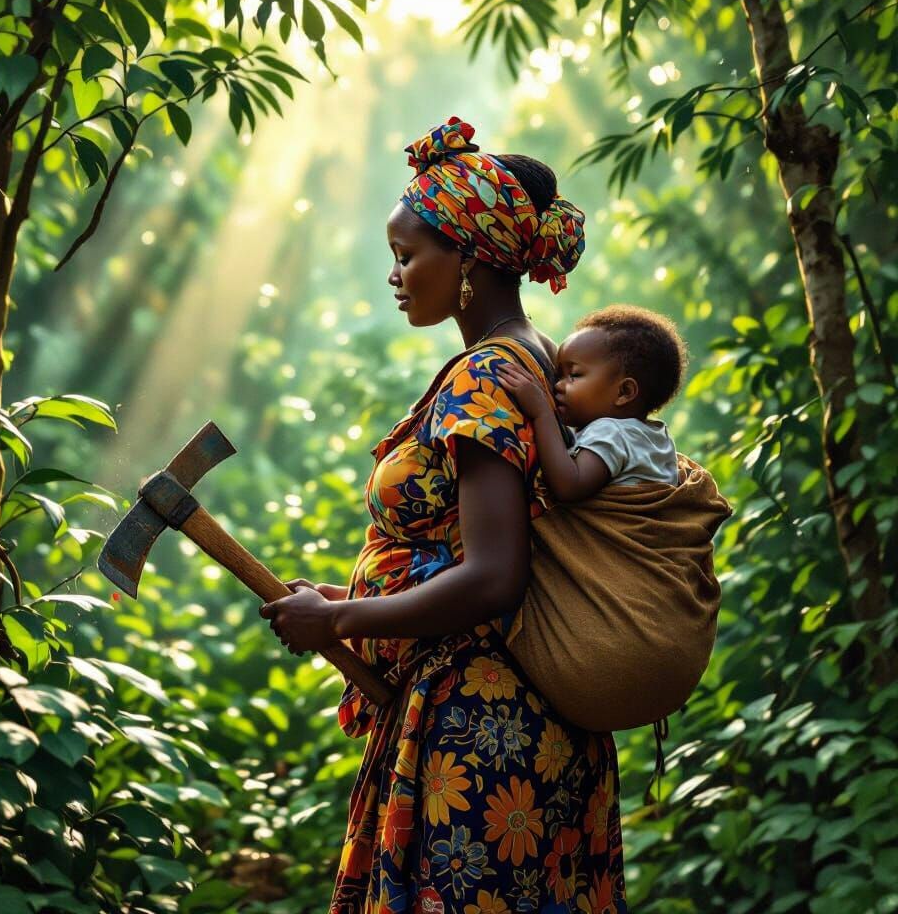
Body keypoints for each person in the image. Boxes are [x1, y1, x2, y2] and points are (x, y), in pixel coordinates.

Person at [259, 117, 629, 913]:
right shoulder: (535, 355)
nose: (395, 275)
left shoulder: (486, 378)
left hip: (483, 732)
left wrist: (342, 623)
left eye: (407, 255)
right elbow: (465, 546)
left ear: (467, 257)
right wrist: (348, 607)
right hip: (521, 723)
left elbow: (494, 578)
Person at [496, 306, 686, 503]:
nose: (558, 385)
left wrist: (541, 412)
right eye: (559, 375)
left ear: (624, 392)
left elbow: (569, 486)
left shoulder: (612, 433)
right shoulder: (656, 435)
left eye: (575, 375)